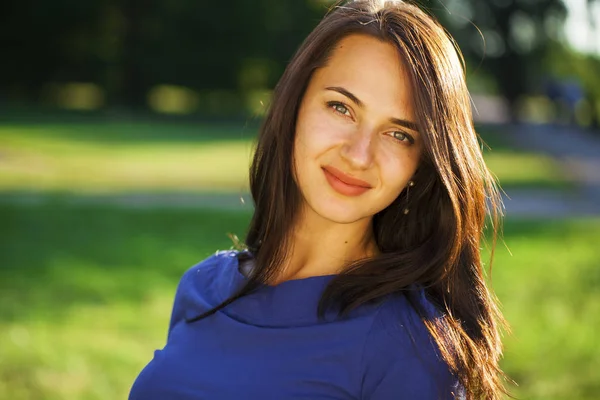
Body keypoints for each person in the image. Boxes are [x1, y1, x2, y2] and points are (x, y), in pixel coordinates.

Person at [129, 0, 509, 399]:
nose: (359, 155)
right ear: (294, 106)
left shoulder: (411, 347)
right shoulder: (203, 286)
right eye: (341, 107)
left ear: (421, 165)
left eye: (399, 134)